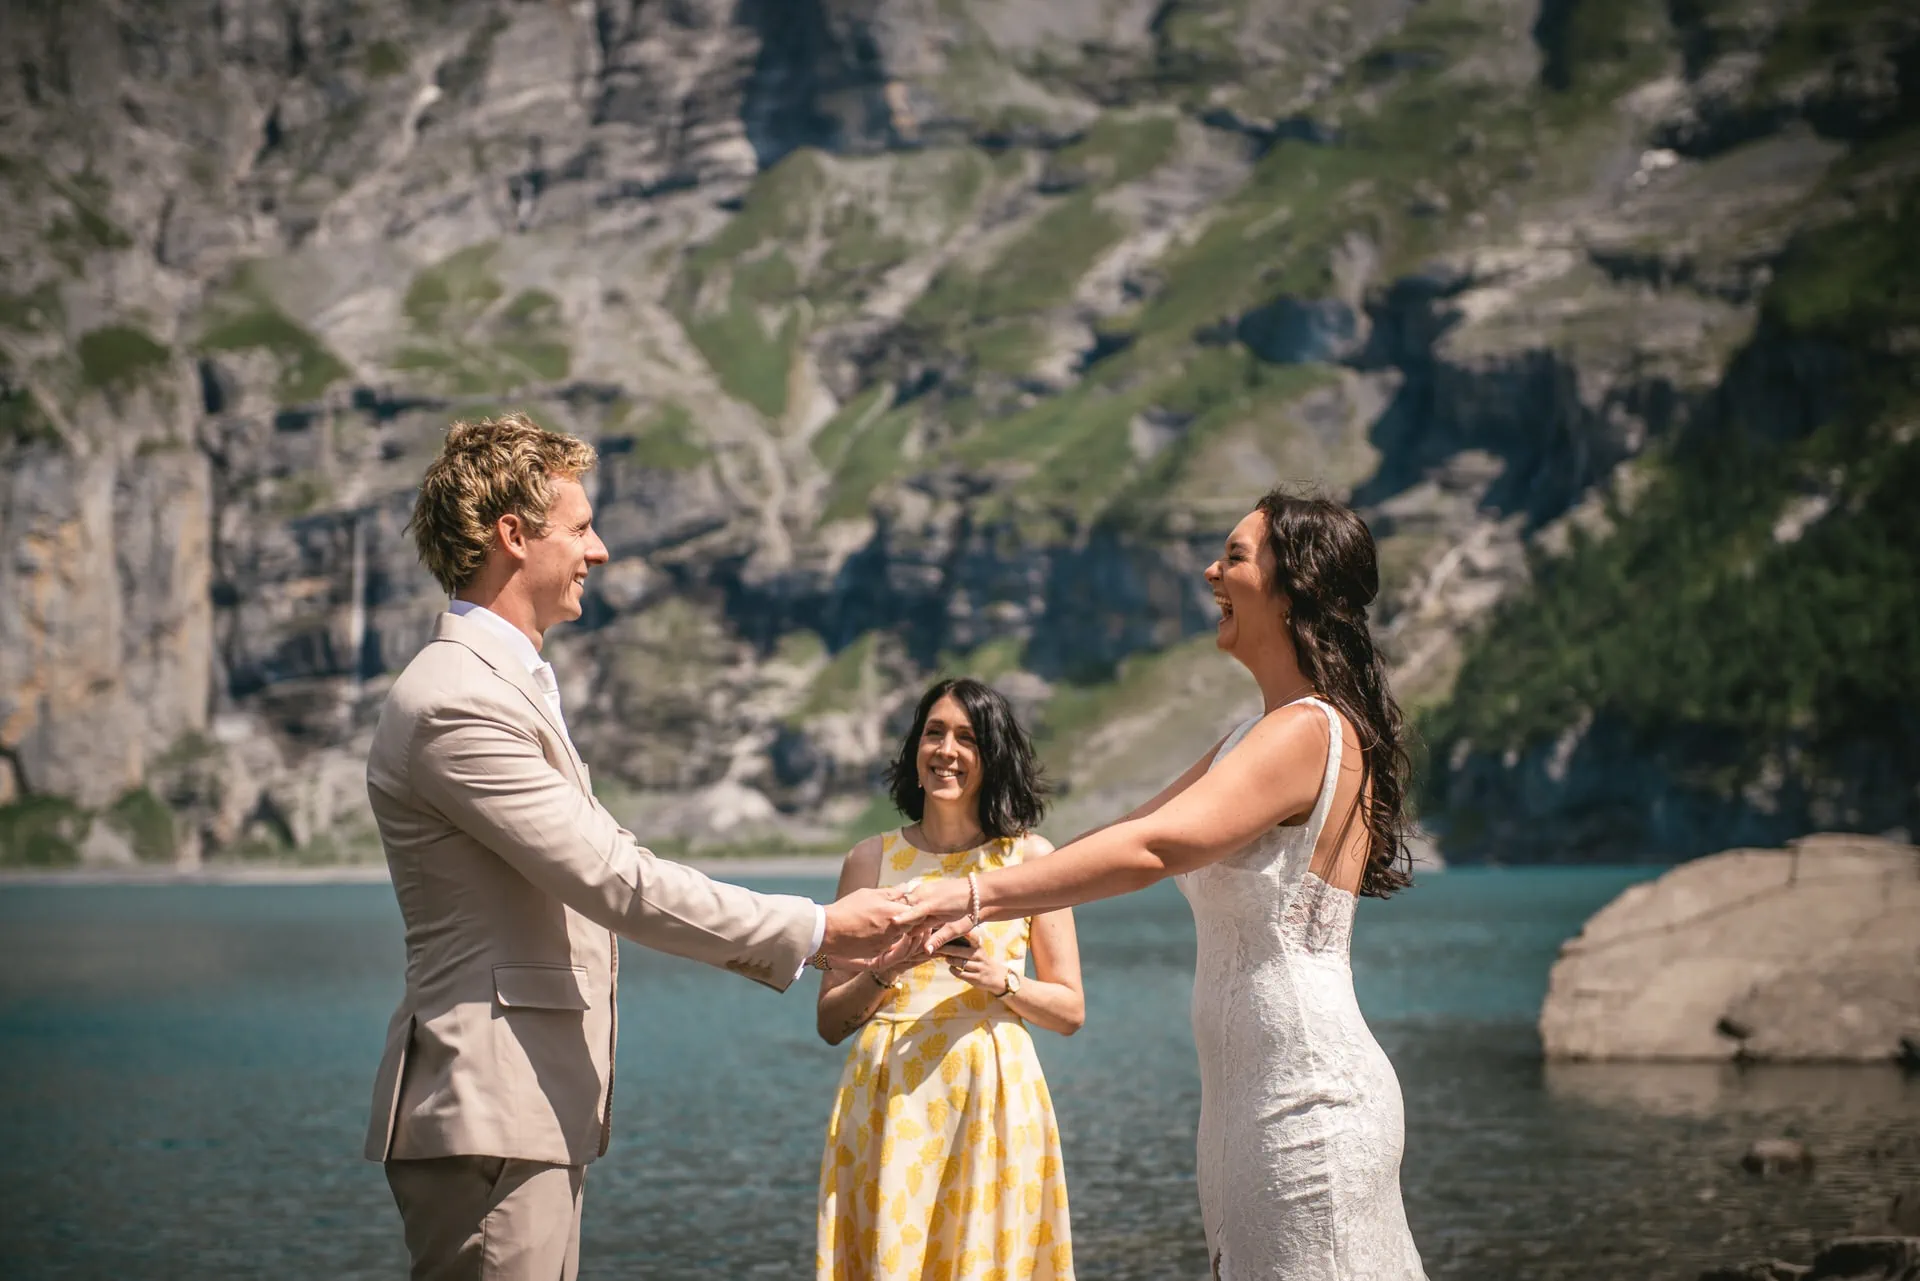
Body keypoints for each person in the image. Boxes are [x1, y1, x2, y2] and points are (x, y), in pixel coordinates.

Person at [363, 413, 912, 1281]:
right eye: (580, 527)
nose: (602, 549)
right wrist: (819, 928)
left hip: (519, 1113)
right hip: (492, 1111)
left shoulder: (495, 685)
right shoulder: (456, 701)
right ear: (513, 535)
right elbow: (613, 878)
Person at [900, 492, 1428, 1280]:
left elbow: (1156, 847)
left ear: (1295, 587)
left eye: (1237, 556)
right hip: (1247, 1110)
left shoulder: (1309, 728)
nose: (1211, 570)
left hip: (1306, 1102)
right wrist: (965, 883)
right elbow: (1122, 832)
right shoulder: (1256, 734)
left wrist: (973, 897)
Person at [814, 679, 1084, 1281]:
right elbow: (830, 1020)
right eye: (934, 732)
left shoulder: (1031, 859)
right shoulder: (868, 860)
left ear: (993, 755)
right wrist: (888, 969)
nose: (946, 750)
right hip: (889, 1096)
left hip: (992, 1095)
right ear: (915, 748)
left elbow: (1069, 1010)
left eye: (967, 737)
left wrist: (1001, 980)